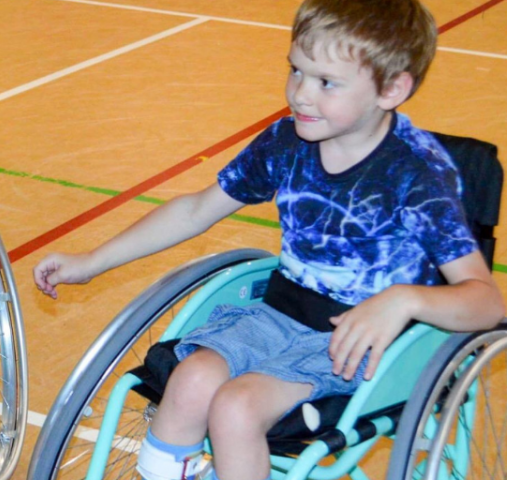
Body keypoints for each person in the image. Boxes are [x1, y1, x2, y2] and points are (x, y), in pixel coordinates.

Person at [32, 1, 505, 479]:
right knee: (191, 379)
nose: (300, 94)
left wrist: (403, 301)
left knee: (237, 408)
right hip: (277, 316)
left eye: (326, 82)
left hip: (358, 348)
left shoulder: (417, 174)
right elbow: (197, 209)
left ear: (392, 88)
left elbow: (486, 303)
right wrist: (91, 261)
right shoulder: (287, 143)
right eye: (296, 71)